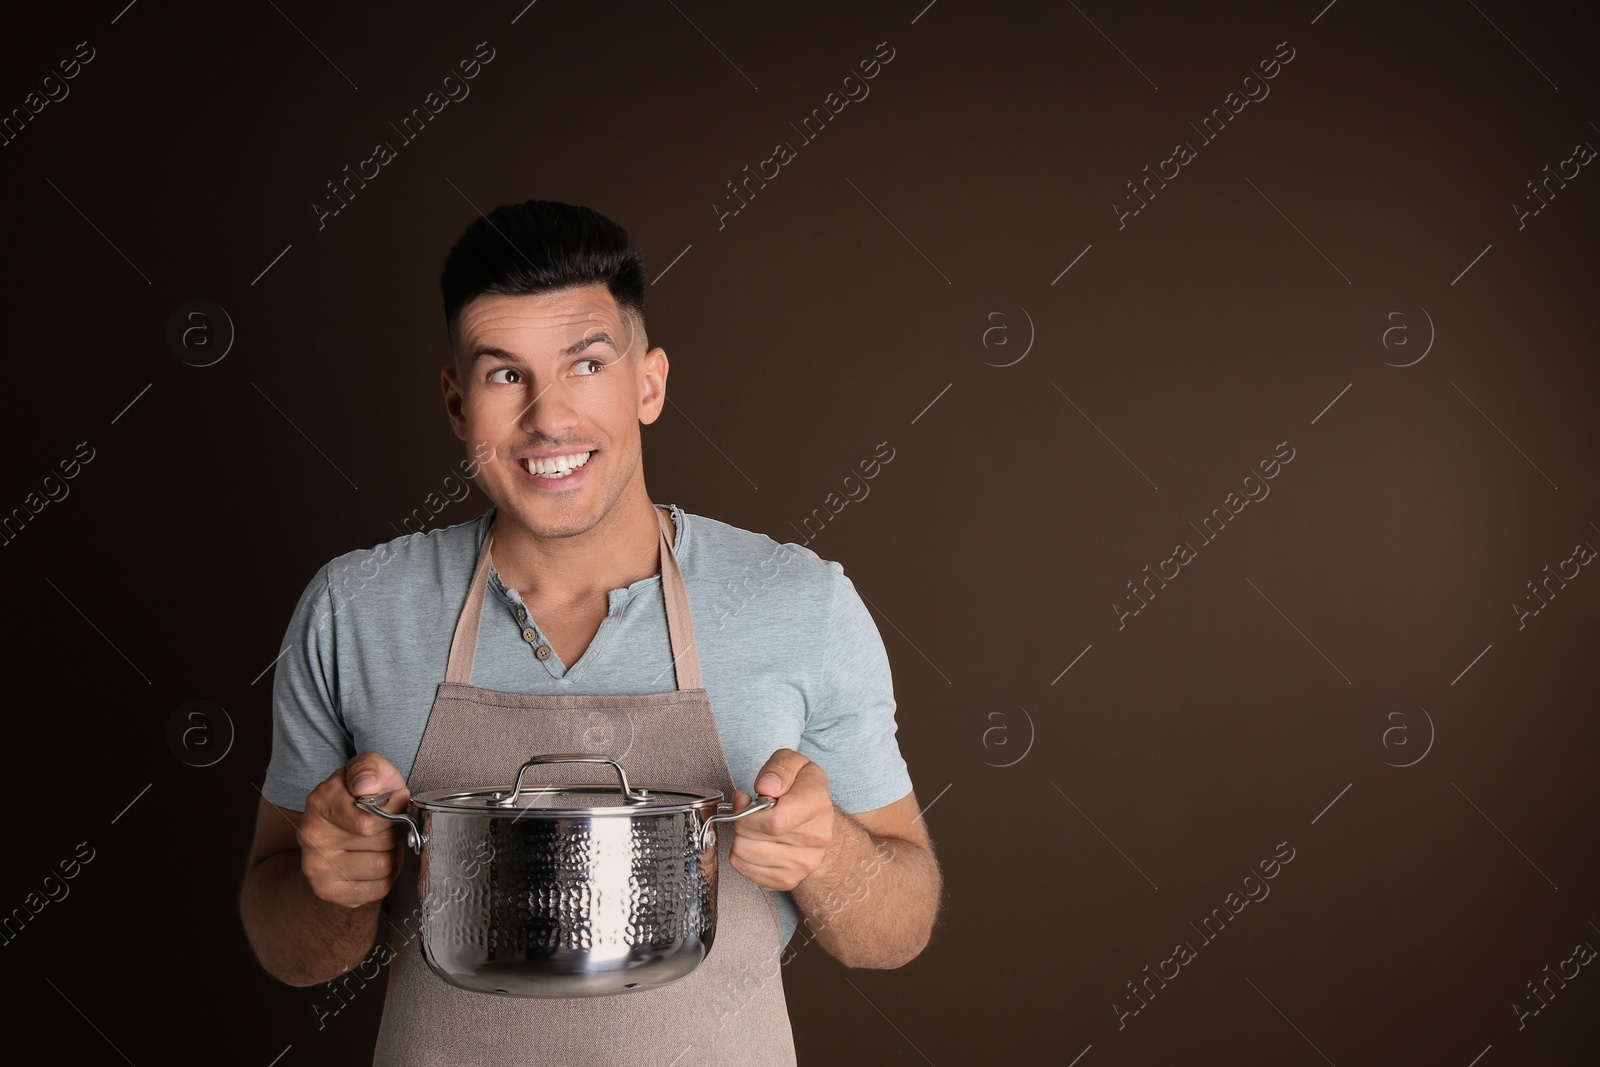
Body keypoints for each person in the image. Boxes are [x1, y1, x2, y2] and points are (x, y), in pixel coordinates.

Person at [238, 200, 943, 1065]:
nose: (548, 418)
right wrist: (335, 882)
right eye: (506, 376)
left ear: (647, 383)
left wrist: (827, 850)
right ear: (458, 405)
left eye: (586, 364)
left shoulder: (798, 601)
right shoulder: (354, 607)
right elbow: (286, 945)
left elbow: (898, 927)